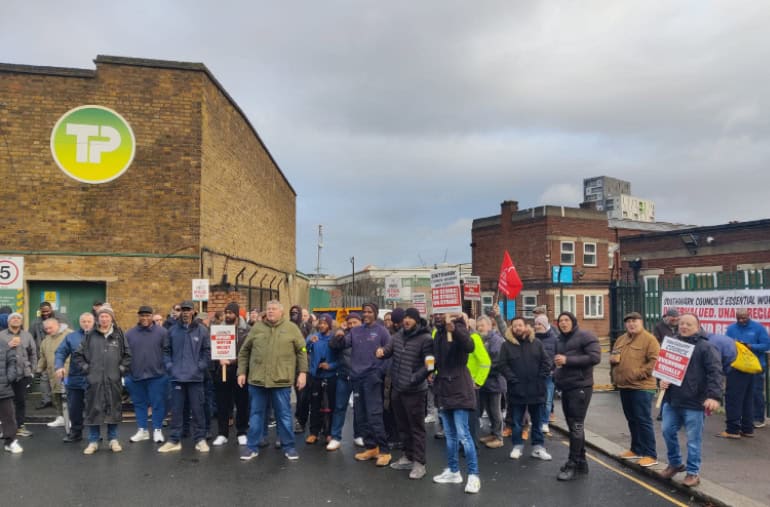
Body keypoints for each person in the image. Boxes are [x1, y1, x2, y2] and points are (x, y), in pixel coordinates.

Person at [237, 300, 307, 462]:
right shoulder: (257, 328)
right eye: (268, 309)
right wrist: (241, 372)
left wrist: (302, 373)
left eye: (274, 309)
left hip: (280, 381)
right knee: (255, 415)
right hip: (257, 381)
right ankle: (252, 447)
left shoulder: (291, 329)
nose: (270, 312)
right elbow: (244, 351)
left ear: (281, 312)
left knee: (284, 415)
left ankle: (288, 447)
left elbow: (302, 351)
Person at [659, 313, 723, 487]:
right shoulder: (672, 343)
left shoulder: (706, 347)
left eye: (688, 324)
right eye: (681, 324)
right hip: (672, 400)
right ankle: (675, 463)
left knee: (693, 440)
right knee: (666, 431)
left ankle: (693, 473)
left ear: (697, 326)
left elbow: (715, 373)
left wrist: (714, 396)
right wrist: (662, 379)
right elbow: (665, 367)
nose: (684, 326)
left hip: (695, 402)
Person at [330, 302, 392, 466]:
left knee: (375, 415)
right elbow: (341, 345)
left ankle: (384, 451)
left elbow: (390, 353)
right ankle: (371, 447)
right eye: (364, 312)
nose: (366, 314)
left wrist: (379, 373)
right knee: (361, 415)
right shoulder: (355, 331)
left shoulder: (382, 331)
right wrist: (339, 334)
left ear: (375, 313)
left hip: (372, 379)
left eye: (369, 312)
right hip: (357, 378)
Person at [376, 307, 433, 479]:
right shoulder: (398, 336)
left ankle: (419, 463)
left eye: (410, 318)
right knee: (403, 427)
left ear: (416, 320)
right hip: (398, 389)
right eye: (405, 318)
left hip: (415, 391)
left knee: (416, 429)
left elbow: (430, 365)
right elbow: (388, 350)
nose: (407, 321)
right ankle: (407, 456)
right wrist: (381, 352)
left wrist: (415, 378)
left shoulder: (426, 338)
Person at [430, 312, 480, 493]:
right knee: (450, 436)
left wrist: (455, 330)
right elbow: (436, 361)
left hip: (459, 388)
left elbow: (470, 346)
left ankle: (474, 475)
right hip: (443, 389)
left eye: (441, 313)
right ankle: (453, 471)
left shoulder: (458, 328)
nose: (437, 316)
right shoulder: (438, 333)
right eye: (436, 313)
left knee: (463, 435)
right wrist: (427, 371)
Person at [73, 303, 132, 454]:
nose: (104, 319)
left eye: (107, 316)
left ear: (111, 318)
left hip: (113, 380)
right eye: (101, 316)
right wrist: (87, 369)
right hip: (95, 380)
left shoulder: (119, 335)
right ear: (98, 319)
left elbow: (128, 355)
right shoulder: (90, 335)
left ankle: (113, 440)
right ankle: (93, 441)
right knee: (94, 409)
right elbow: (78, 356)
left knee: (113, 408)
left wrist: (121, 370)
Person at [554, 311, 602, 481]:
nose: (563, 323)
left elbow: (595, 357)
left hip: (581, 387)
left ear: (573, 322)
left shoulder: (585, 335)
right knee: (573, 425)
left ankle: (573, 463)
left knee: (576, 426)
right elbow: (558, 363)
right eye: (560, 321)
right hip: (566, 388)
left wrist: (568, 360)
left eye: (566, 320)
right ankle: (581, 461)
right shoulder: (559, 340)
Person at [159, 300, 211, 453]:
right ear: (180, 312)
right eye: (183, 310)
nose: (186, 312)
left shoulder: (202, 330)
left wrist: (199, 367)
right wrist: (170, 367)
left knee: (197, 410)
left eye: (188, 310)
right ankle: (174, 440)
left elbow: (207, 352)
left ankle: (200, 439)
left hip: (195, 378)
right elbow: (166, 351)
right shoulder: (173, 330)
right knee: (176, 410)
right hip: (177, 377)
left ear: (193, 311)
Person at [498, 317, 552, 461]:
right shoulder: (507, 346)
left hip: (536, 389)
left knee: (537, 421)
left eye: (520, 325)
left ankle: (538, 448)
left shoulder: (536, 343)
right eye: (515, 326)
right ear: (511, 328)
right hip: (517, 390)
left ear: (526, 326)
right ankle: (517, 446)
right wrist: (512, 379)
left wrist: (540, 378)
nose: (518, 328)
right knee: (516, 422)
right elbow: (502, 365)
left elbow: (546, 362)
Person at [610, 312, 660, 467]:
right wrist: (613, 363)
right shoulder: (621, 339)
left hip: (642, 387)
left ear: (641, 322)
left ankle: (650, 454)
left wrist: (637, 374)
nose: (631, 324)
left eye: (635, 321)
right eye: (628, 321)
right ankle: (636, 449)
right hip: (625, 385)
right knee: (632, 419)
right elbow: (615, 356)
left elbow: (655, 361)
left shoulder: (649, 339)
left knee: (643, 419)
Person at [125, 305, 169, 444]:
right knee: (139, 404)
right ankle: (142, 430)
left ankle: (157, 430)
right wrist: (126, 374)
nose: (145, 318)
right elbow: (125, 355)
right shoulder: (130, 334)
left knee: (158, 404)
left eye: (147, 315)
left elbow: (168, 352)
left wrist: (166, 370)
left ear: (152, 316)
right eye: (142, 315)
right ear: (138, 316)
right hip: (135, 375)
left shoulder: (162, 332)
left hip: (158, 376)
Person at [212, 302, 250, 447]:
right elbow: (212, 348)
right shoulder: (218, 329)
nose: (228, 315)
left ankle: (242, 432)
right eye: (226, 312)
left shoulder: (246, 330)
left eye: (230, 313)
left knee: (242, 403)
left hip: (240, 371)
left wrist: (233, 361)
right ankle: (222, 433)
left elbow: (248, 351)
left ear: (236, 314)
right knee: (222, 404)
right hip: (222, 371)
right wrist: (218, 359)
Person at [54, 312, 94, 443]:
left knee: (95, 408)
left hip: (94, 379)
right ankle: (75, 432)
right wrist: (59, 366)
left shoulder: (100, 337)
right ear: (80, 322)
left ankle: (95, 435)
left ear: (93, 322)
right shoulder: (71, 337)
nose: (86, 323)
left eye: (89, 321)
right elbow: (60, 352)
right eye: (84, 321)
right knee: (74, 408)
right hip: (75, 378)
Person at [726, 309, 770, 428]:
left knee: (755, 392)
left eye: (744, 318)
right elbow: (727, 344)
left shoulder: (758, 328)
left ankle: (758, 418)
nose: (741, 320)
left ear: (749, 316)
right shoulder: (731, 328)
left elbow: (766, 345)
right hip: (738, 365)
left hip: (755, 366)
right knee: (738, 393)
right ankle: (742, 418)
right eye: (738, 318)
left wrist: (750, 346)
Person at [326, 312, 363, 451]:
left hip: (360, 377)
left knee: (359, 409)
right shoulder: (343, 335)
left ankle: (359, 435)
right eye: (350, 323)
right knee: (339, 408)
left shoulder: (365, 335)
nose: (352, 325)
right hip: (344, 376)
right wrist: (339, 333)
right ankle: (336, 437)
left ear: (360, 322)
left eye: (355, 322)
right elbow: (332, 345)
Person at [0, 312, 36, 438]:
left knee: (20, 401)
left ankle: (20, 427)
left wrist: (32, 371)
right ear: (8, 321)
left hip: (22, 374)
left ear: (21, 321)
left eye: (18, 318)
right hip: (5, 375)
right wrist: (8, 346)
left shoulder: (27, 335)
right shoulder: (2, 335)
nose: (16, 320)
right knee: (5, 402)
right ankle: (6, 429)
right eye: (13, 318)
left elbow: (33, 354)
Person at [305, 314, 338, 445]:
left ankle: (329, 432)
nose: (322, 325)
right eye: (320, 323)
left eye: (324, 323)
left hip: (330, 377)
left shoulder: (335, 338)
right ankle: (314, 432)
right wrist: (308, 343)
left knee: (331, 406)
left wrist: (330, 366)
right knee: (314, 406)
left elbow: (341, 358)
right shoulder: (313, 337)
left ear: (329, 324)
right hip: (316, 377)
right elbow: (302, 350)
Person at [476, 315, 506, 448]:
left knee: (495, 410)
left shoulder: (496, 341)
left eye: (482, 325)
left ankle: (499, 437)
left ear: (489, 325)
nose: (479, 328)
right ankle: (493, 433)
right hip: (484, 382)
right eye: (478, 325)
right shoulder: (481, 340)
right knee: (488, 410)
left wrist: (484, 372)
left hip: (494, 381)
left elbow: (497, 362)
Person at [37, 318, 70, 428]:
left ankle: (70, 418)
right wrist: (38, 370)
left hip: (69, 373)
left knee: (70, 397)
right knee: (57, 396)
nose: (48, 330)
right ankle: (61, 417)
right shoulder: (46, 340)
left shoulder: (69, 335)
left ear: (58, 325)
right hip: (53, 375)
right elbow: (43, 357)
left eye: (50, 328)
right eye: (46, 329)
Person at [31, 302, 64, 409]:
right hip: (43, 355)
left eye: (47, 311)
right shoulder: (35, 323)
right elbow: (31, 338)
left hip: (58, 355)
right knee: (44, 379)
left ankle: (58, 401)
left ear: (51, 310)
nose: (45, 313)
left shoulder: (60, 320)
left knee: (58, 379)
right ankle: (46, 400)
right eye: (43, 311)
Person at [534, 314, 558, 433]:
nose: (537, 326)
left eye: (540, 324)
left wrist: (554, 370)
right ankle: (537, 421)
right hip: (535, 375)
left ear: (545, 325)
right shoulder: (532, 338)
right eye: (536, 324)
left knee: (547, 400)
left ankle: (544, 422)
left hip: (549, 375)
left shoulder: (554, 339)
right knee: (536, 400)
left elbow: (557, 356)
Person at [0, 337, 22, 453]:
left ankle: (10, 442)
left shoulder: (3, 344)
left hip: (3, 387)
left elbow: (12, 362)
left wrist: (9, 378)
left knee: (8, 417)